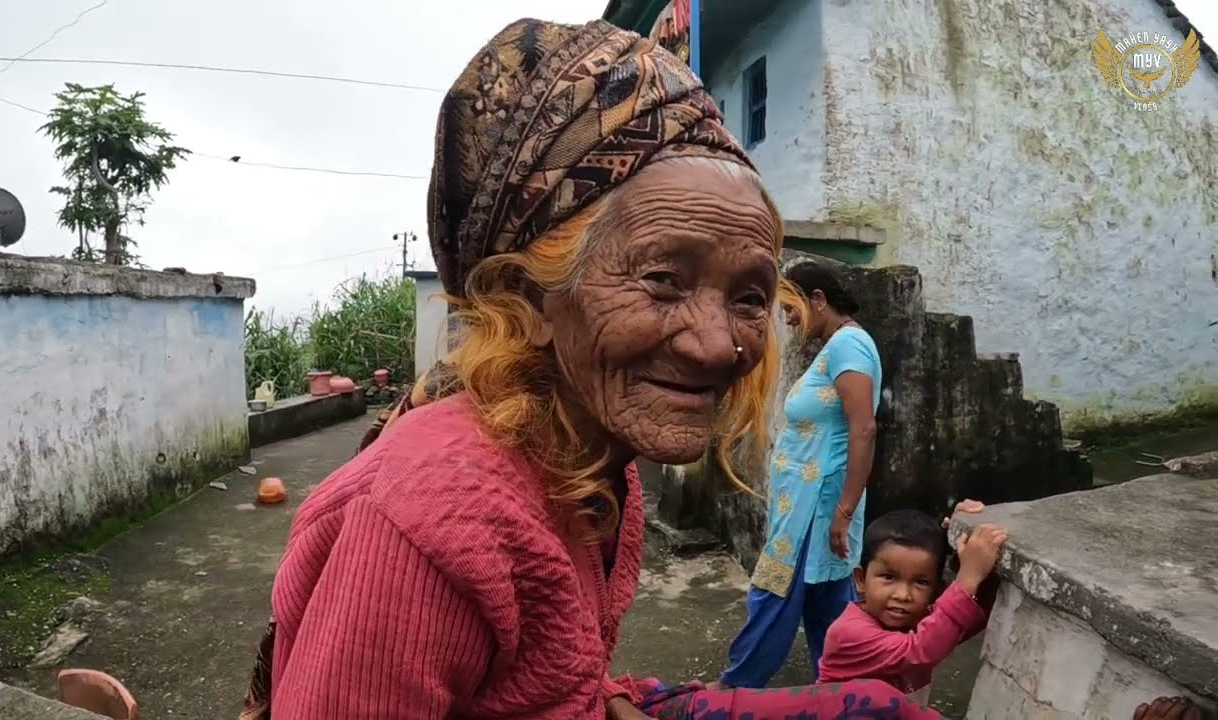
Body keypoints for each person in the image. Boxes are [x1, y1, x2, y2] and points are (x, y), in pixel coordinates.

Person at [239, 16, 946, 720]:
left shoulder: (595, 464)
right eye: (664, 279)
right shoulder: (431, 521)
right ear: (528, 298)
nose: (717, 345)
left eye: (750, 297)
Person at [715, 261, 883, 689]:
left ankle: (734, 687)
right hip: (809, 501)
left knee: (773, 595)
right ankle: (841, 690)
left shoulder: (850, 346)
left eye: (791, 308)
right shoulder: (838, 347)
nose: (787, 319)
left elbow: (863, 428)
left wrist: (843, 510)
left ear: (818, 301)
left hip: (817, 506)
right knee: (827, 603)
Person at [816, 509, 1006, 703]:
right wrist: (967, 578)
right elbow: (919, 650)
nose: (903, 595)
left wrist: (975, 557)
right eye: (889, 578)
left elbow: (971, 617)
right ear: (861, 579)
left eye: (921, 582)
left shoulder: (919, 620)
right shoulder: (848, 633)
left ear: (937, 590)